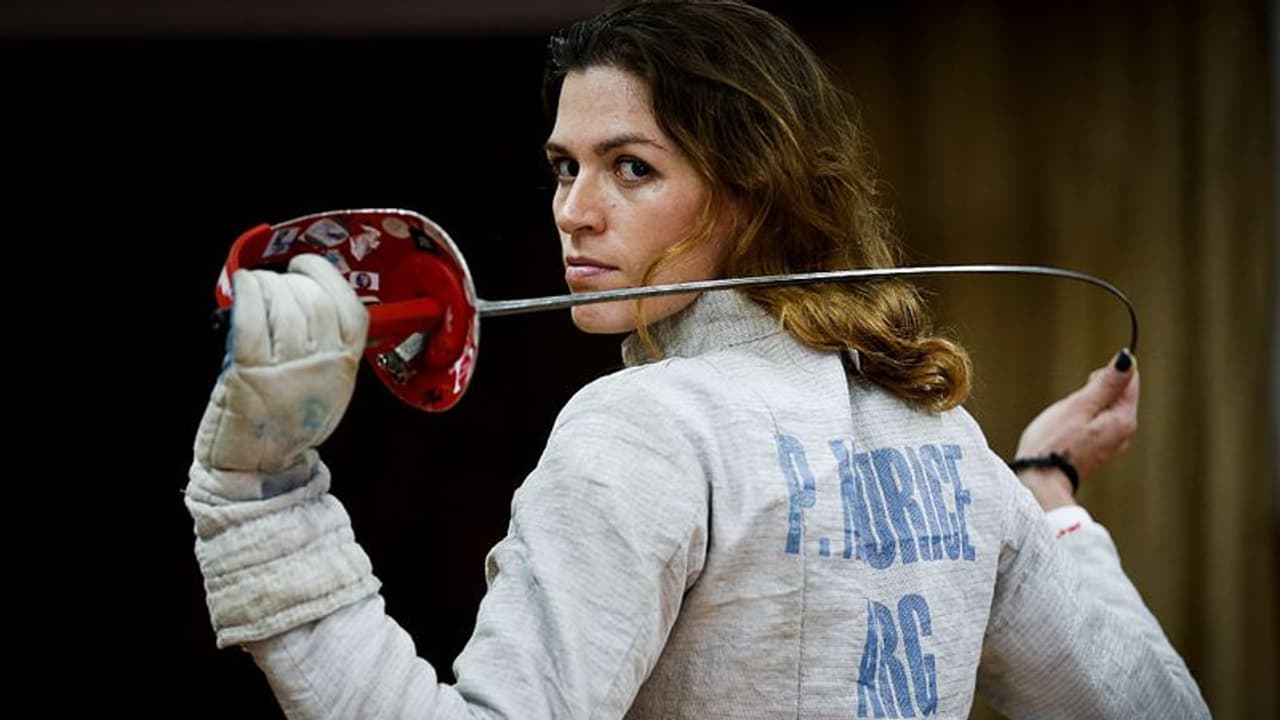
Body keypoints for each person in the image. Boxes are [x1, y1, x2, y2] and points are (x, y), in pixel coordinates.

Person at [185, 1, 1207, 717]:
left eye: (631, 168)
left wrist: (261, 501)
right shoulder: (944, 442)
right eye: (564, 167)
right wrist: (1048, 493)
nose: (573, 212)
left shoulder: (643, 426)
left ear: (753, 191)